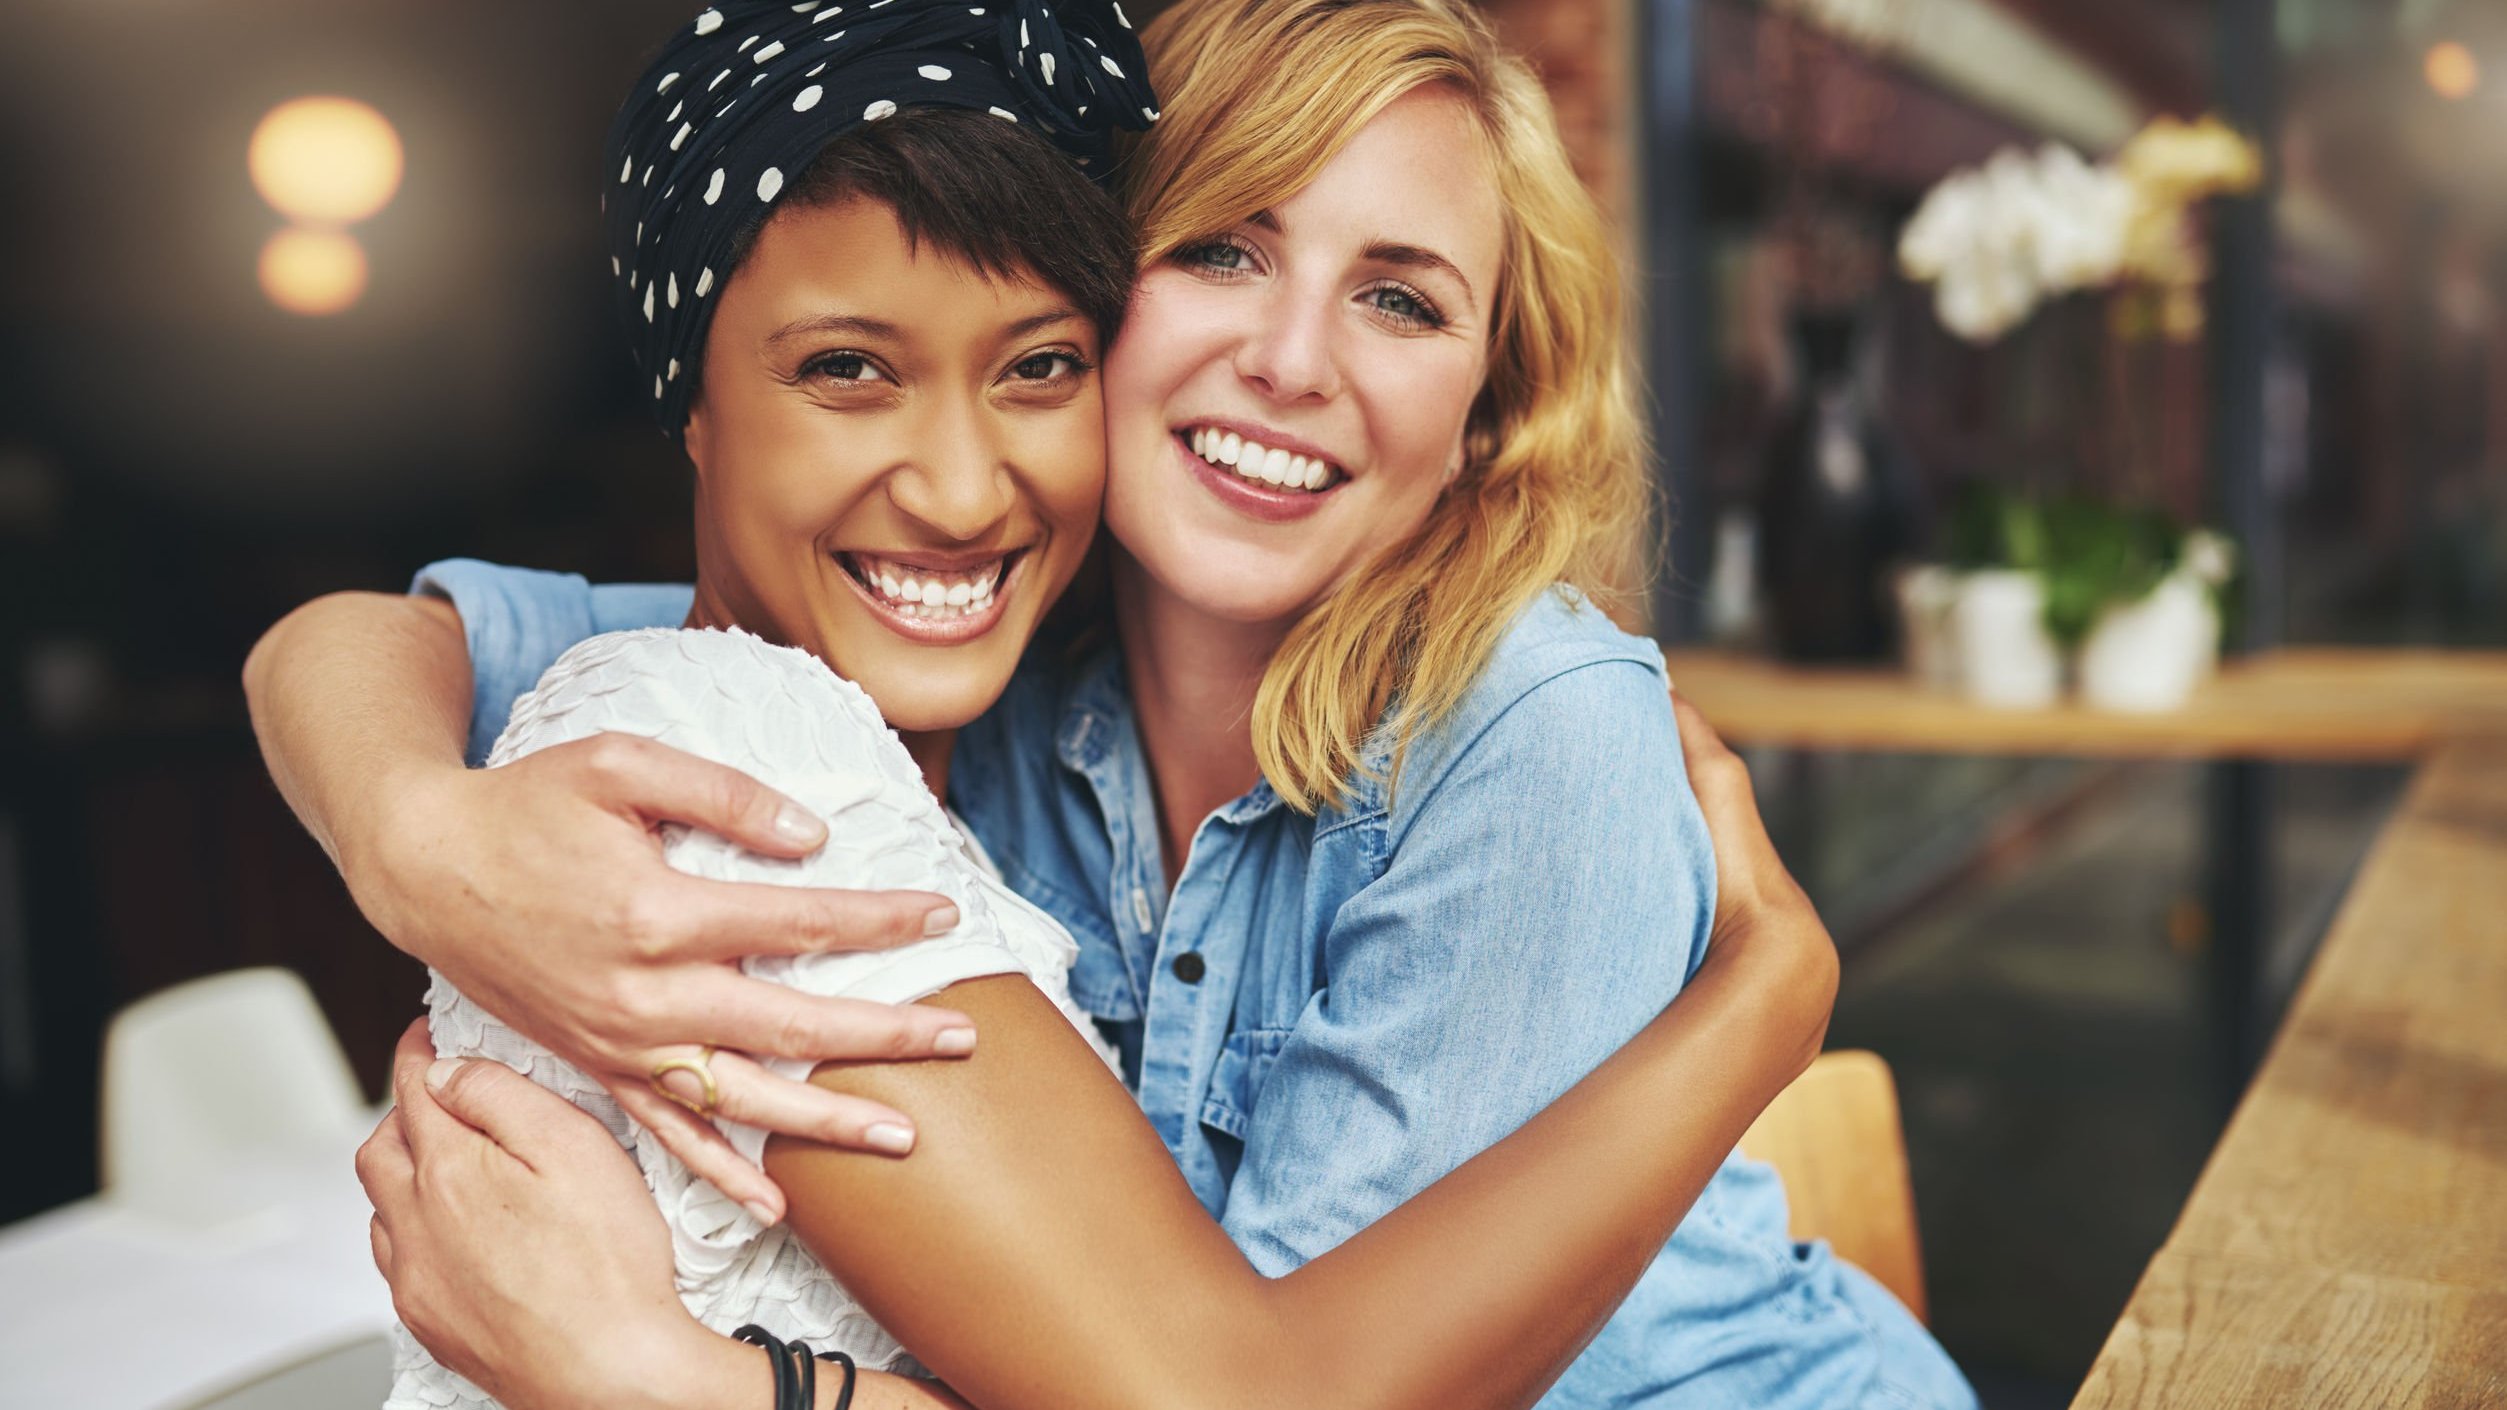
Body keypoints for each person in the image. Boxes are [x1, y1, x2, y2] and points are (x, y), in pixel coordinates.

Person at [250, 0, 1975, 1405]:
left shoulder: (1527, 725)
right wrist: (419, 834)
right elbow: (376, 640)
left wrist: (1766, 1002)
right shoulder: (964, 637)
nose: (1294, 360)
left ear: (1487, 412)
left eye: (1398, 298)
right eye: (1228, 249)